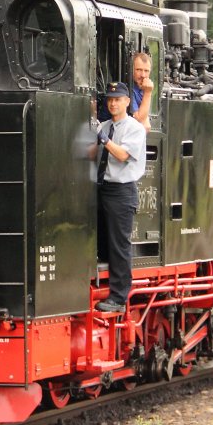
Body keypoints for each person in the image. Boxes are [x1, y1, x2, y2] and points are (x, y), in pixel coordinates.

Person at [90, 81, 147, 313]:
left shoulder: (134, 128)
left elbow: (122, 155)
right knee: (101, 241)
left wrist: (103, 139)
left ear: (126, 101)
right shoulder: (103, 125)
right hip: (100, 187)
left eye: (117, 99)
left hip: (121, 191)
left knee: (119, 245)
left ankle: (119, 297)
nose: (113, 103)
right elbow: (93, 153)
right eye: (110, 100)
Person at [130, 52, 155, 131]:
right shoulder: (128, 88)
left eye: (146, 71)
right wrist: (148, 93)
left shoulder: (142, 87)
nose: (143, 75)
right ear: (132, 70)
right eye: (139, 70)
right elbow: (139, 119)